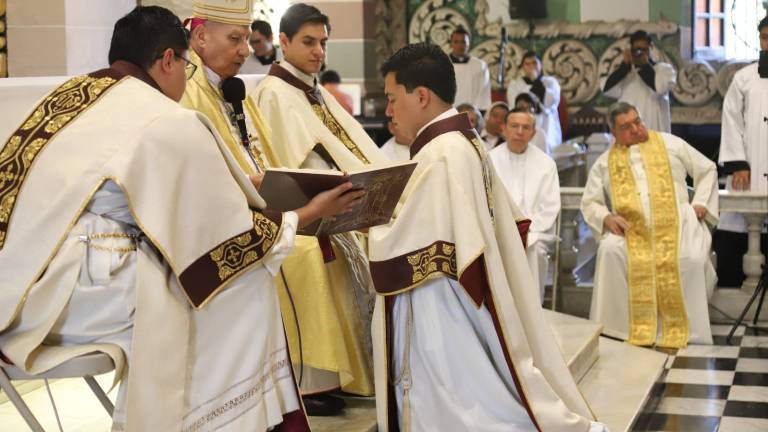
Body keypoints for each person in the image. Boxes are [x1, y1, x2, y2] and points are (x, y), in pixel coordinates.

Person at [0, 6, 364, 431]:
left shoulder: (68, 97)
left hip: (15, 285)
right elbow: (231, 237)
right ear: (169, 59)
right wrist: (308, 213)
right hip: (68, 301)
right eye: (186, 66)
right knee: (239, 284)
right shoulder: (163, 118)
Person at [371, 42, 605, 432]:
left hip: (443, 307)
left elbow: (405, 244)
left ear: (421, 96)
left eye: (393, 99)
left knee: (469, 409)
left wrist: (363, 218)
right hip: (457, 297)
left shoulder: (441, 154)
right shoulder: (462, 142)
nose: (389, 111)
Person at [253, 2, 387, 409]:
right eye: (309, 42)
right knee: (315, 258)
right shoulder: (273, 94)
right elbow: (284, 169)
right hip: (304, 216)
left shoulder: (313, 91)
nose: (319, 52)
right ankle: (313, 381)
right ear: (284, 41)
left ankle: (364, 371)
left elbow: (351, 147)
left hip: (338, 207)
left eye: (323, 43)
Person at [581, 101, 718, 348]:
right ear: (614, 132)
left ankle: (688, 331)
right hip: (630, 232)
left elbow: (707, 169)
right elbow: (590, 202)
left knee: (691, 259)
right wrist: (607, 218)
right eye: (626, 127)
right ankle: (616, 330)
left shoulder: (671, 143)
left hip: (678, 224)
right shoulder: (604, 162)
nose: (636, 129)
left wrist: (700, 202)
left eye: (638, 121)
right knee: (610, 251)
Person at [490, 108, 560, 302]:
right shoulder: (489, 160)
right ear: (504, 129)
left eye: (526, 127)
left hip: (535, 232)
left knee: (534, 251)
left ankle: (533, 309)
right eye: (514, 126)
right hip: (497, 230)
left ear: (533, 132)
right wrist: (505, 229)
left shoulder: (546, 164)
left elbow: (549, 207)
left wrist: (524, 230)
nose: (519, 132)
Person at [718, 15, 768, 233]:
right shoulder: (743, 78)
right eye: (765, 38)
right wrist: (738, 164)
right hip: (750, 167)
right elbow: (731, 120)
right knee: (745, 231)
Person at [601, 30, 676, 133]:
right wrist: (624, 67)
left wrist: (643, 65)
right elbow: (605, 88)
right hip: (629, 132)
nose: (641, 53)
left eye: (644, 49)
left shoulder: (664, 70)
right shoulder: (626, 73)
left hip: (654, 130)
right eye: (637, 50)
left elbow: (659, 88)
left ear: (651, 47)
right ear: (631, 49)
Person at [507, 51, 562, 147]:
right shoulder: (515, 84)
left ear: (541, 65)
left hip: (547, 128)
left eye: (534, 63)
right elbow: (515, 106)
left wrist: (535, 80)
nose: (531, 67)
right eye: (527, 64)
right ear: (522, 67)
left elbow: (550, 102)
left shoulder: (550, 82)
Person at [448, 27, 491, 111]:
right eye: (456, 42)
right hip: (449, 111)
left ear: (469, 44)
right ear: (451, 44)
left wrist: (477, 111)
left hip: (472, 112)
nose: (460, 45)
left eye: (463, 42)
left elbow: (484, 92)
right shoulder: (442, 64)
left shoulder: (480, 65)